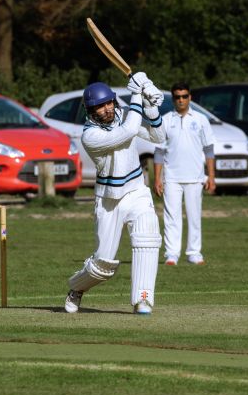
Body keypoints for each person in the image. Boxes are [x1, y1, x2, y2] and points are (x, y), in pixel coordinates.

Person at [64, 73, 166, 315]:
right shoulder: (90, 136)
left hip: (136, 191)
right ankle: (76, 288)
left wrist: (151, 106)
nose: (107, 108)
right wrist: (138, 94)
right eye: (100, 106)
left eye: (109, 102)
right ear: (91, 111)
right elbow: (128, 132)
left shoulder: (124, 114)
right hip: (109, 200)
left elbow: (159, 136)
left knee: (147, 237)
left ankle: (143, 299)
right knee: (103, 265)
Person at [153, 82, 215, 266]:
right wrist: (157, 179)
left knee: (194, 217)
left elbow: (209, 150)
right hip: (172, 177)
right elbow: (159, 151)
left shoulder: (201, 119)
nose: (181, 100)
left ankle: (194, 253)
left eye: (184, 96)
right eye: (177, 97)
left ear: (190, 97)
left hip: (195, 177)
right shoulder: (165, 120)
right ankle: (172, 254)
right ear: (173, 99)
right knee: (171, 217)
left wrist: (211, 177)